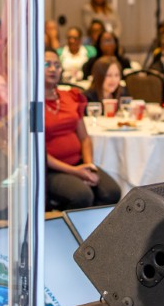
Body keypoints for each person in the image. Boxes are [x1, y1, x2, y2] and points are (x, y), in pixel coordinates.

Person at [42, 49, 121, 209]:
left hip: (78, 162)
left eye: (57, 65)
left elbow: (84, 138)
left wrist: (88, 165)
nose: (53, 69)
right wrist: (76, 172)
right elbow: (40, 153)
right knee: (82, 195)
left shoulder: (70, 97)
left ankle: (95, 225)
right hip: (51, 169)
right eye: (47, 64)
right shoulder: (33, 103)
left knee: (112, 192)